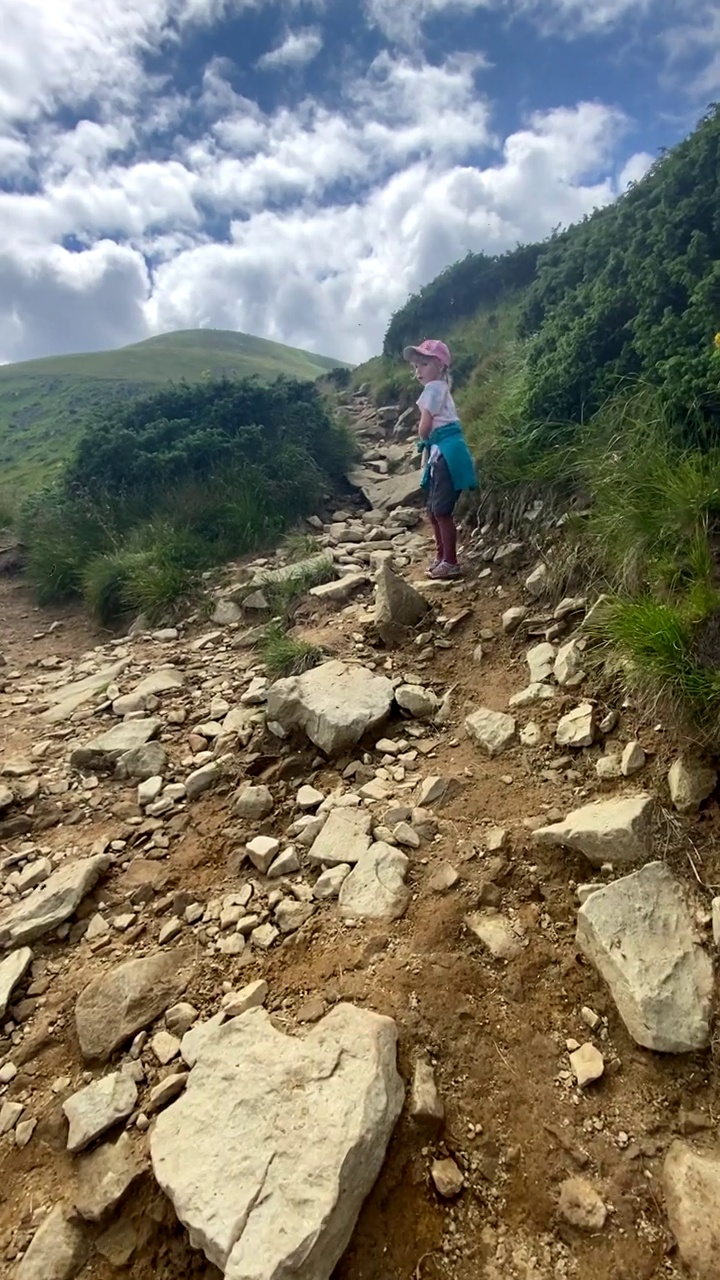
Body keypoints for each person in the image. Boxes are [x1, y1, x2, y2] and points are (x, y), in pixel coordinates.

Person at [403, 338, 477, 579]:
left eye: (424, 364)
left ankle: (449, 560)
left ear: (440, 366)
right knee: (435, 509)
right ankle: (442, 556)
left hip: (444, 453)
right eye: (416, 366)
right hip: (445, 451)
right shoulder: (442, 388)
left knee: (440, 511)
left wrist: (421, 433)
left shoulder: (433, 389)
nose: (418, 371)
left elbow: (425, 428)